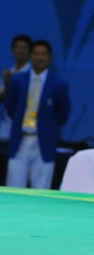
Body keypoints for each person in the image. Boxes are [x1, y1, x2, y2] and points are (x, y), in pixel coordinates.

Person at [5, 40, 71, 189]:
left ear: (50, 58)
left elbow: (63, 114)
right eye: (36, 53)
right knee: (13, 187)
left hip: (44, 142)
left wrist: (47, 127)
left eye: (43, 54)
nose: (39, 57)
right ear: (30, 56)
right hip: (20, 140)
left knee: (41, 188)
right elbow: (10, 108)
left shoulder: (59, 84)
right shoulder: (17, 80)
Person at [0, 34, 33, 140]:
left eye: (24, 48)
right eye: (18, 47)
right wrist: (7, 84)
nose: (20, 51)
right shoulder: (7, 73)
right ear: (13, 50)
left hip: (26, 128)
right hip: (5, 128)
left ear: (30, 51)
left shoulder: (33, 74)